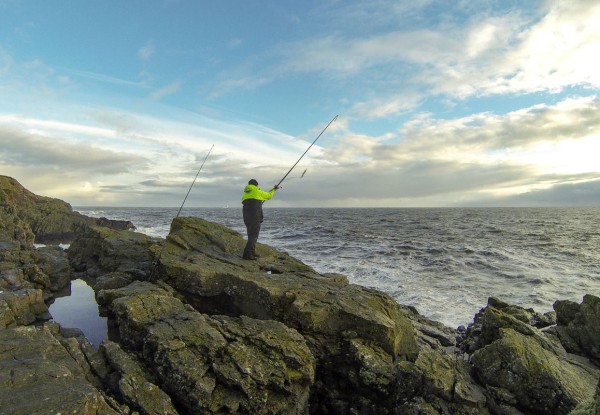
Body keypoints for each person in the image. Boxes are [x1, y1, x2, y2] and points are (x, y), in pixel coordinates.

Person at [241, 179, 279, 260]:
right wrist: (274, 189)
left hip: (246, 217)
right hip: (255, 217)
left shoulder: (245, 194)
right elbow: (268, 196)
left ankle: (252, 252)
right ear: (256, 185)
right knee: (253, 236)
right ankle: (247, 255)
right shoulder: (257, 191)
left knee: (250, 235)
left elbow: (255, 199)